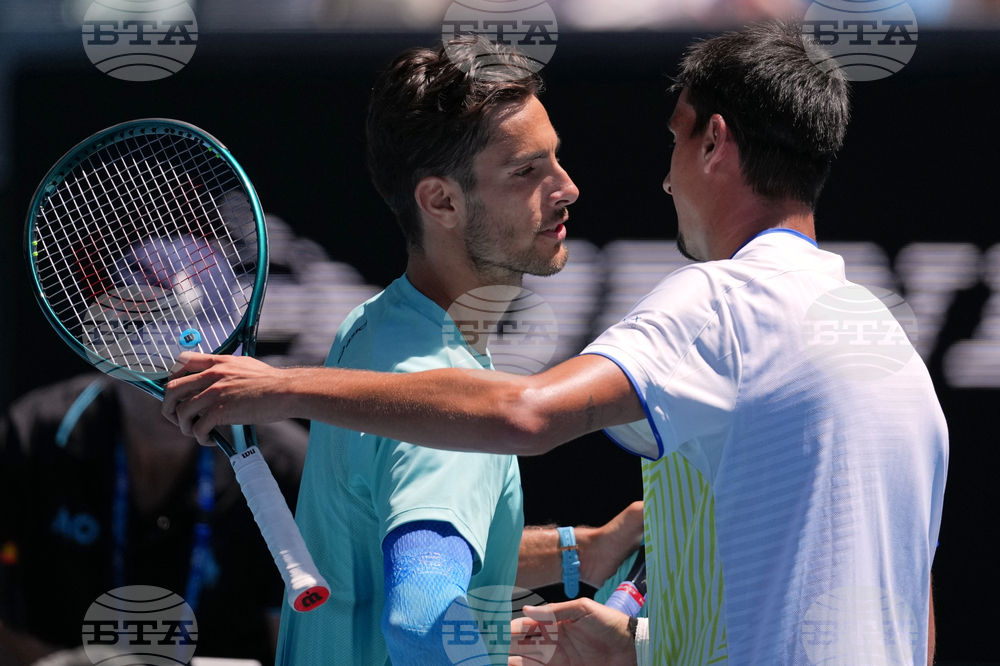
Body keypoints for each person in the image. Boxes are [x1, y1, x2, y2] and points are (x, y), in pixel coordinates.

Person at [162, 19, 947, 666]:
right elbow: (910, 627)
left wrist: (275, 387)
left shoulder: (384, 344)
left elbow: (526, 417)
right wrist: (598, 581)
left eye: (673, 143)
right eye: (529, 170)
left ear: (714, 145)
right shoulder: (887, 347)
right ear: (439, 200)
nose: (571, 187)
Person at [0, 374, 309, 666]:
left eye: (196, 368)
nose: (176, 390)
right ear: (105, 351)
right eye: (154, 361)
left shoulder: (287, 468)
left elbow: (299, 645)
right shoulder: (34, 430)